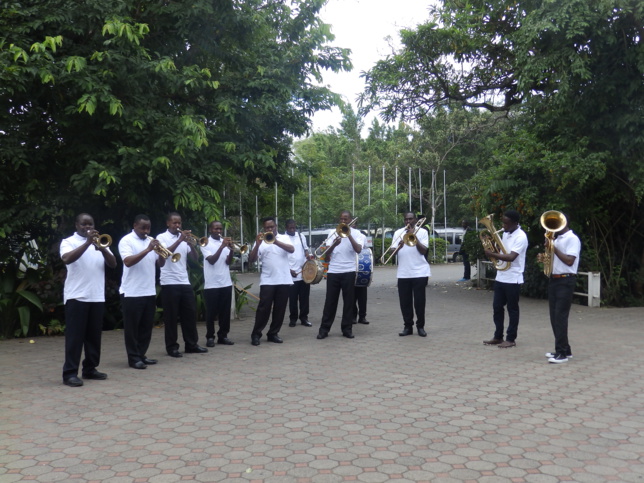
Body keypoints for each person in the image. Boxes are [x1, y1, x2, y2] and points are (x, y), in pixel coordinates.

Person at [60, 213, 117, 387]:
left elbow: (113, 264)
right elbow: (67, 259)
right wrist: (87, 244)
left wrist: (102, 249)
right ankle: (70, 373)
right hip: (77, 296)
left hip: (96, 296)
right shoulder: (68, 242)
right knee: (75, 338)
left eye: (90, 224)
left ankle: (90, 369)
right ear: (76, 225)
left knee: (94, 337)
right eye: (83, 224)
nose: (87, 227)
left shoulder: (100, 242)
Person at [157, 212, 208, 358]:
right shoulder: (162, 237)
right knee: (171, 317)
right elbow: (164, 254)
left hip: (184, 282)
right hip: (169, 282)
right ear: (168, 223)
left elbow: (195, 258)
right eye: (174, 223)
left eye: (179, 223)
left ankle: (191, 345)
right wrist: (180, 241)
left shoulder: (184, 240)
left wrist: (191, 245)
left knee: (190, 315)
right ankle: (172, 347)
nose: (177, 225)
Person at [119, 214, 165, 369]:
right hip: (132, 292)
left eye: (148, 228)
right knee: (132, 328)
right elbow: (128, 261)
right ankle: (133, 358)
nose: (146, 230)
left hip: (149, 291)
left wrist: (161, 254)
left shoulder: (151, 241)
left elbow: (161, 264)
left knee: (146, 327)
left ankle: (142, 354)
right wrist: (148, 249)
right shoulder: (126, 241)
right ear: (135, 226)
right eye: (143, 227)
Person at [317, 210, 366, 340]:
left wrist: (349, 235)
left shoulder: (357, 234)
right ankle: (324, 329)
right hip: (333, 271)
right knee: (330, 302)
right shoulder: (332, 233)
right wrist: (334, 244)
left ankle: (347, 329)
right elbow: (326, 255)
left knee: (349, 302)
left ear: (350, 220)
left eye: (346, 219)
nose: (343, 221)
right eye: (341, 219)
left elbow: (358, 250)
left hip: (349, 271)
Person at [483, 210, 528, 348]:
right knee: (497, 307)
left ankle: (511, 338)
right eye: (503, 222)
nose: (503, 225)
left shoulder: (521, 237)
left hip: (513, 277)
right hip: (501, 276)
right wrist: (492, 246)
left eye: (506, 223)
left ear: (515, 223)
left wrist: (492, 254)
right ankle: (498, 336)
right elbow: (502, 251)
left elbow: (511, 257)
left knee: (512, 309)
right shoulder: (505, 233)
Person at [249, 217, 294, 345]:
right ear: (264, 228)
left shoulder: (284, 238)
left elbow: (291, 249)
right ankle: (256, 334)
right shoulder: (260, 240)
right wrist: (257, 244)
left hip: (283, 279)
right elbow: (252, 260)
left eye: (271, 227)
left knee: (280, 309)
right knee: (264, 309)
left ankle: (273, 333)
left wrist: (275, 242)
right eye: (267, 227)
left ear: (276, 226)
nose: (269, 229)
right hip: (268, 280)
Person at [542, 216, 581, 363]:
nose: (552, 228)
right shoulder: (556, 240)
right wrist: (545, 256)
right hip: (555, 279)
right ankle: (565, 349)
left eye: (554, 225)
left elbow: (570, 261)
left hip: (566, 280)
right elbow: (555, 259)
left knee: (560, 317)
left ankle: (562, 353)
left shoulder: (572, 239)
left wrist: (553, 248)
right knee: (554, 317)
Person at [391, 211, 431, 337]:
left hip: (420, 272)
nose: (408, 222)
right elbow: (393, 252)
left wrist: (414, 236)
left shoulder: (423, 232)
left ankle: (420, 327)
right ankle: (407, 326)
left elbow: (423, 250)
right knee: (405, 302)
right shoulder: (399, 233)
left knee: (419, 302)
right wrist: (398, 246)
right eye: (406, 220)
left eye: (410, 219)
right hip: (403, 273)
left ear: (415, 220)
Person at [201, 220, 235, 347]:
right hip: (212, 284)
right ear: (210, 230)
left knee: (225, 312)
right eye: (216, 229)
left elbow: (228, 262)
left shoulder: (224, 243)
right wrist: (222, 247)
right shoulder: (205, 242)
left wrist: (231, 250)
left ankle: (223, 336)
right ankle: (210, 337)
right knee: (211, 313)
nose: (219, 231)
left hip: (225, 282)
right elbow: (211, 261)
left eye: (220, 229)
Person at [285, 219, 313, 327]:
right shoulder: (283, 238)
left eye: (294, 227)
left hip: (304, 272)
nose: (292, 230)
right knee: (292, 299)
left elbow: (305, 250)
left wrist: (309, 257)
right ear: (286, 228)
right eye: (290, 228)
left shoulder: (301, 236)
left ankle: (304, 318)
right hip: (291, 274)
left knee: (304, 298)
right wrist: (288, 270)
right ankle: (293, 319)